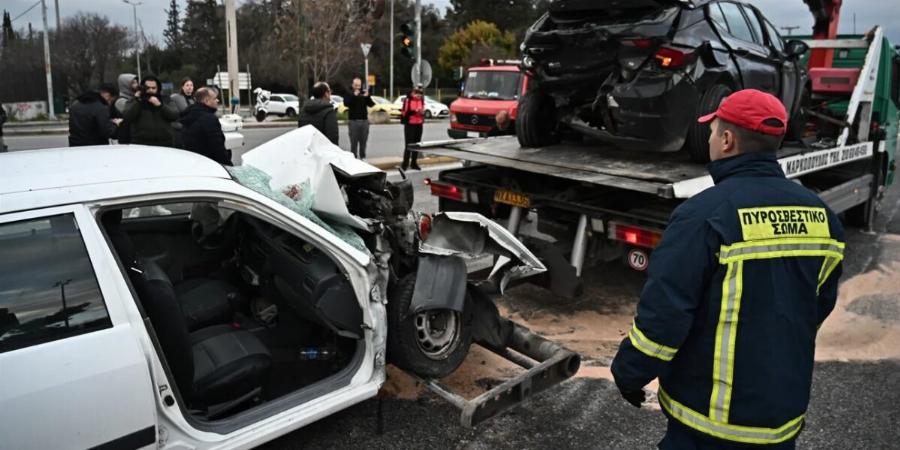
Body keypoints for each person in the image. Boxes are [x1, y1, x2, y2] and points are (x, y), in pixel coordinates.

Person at [610, 89, 845, 450]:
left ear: (727, 140)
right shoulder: (822, 215)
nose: (709, 139)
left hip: (709, 422)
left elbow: (665, 314)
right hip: (782, 414)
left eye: (712, 131)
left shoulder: (702, 216)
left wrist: (629, 373)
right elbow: (816, 305)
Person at [179, 87, 231, 165]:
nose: (217, 100)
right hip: (210, 163)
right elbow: (217, 147)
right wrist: (228, 165)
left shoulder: (190, 114)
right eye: (215, 98)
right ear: (206, 101)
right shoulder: (209, 119)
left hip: (194, 162)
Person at [123, 75, 178, 147]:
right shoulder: (136, 101)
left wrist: (160, 106)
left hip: (164, 143)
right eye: (148, 88)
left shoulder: (166, 99)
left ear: (158, 88)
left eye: (153, 88)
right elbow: (127, 117)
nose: (151, 90)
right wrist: (137, 100)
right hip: (141, 143)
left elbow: (174, 115)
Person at [344, 77, 375, 159]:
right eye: (356, 85)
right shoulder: (349, 93)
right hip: (353, 121)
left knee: (363, 141)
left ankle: (363, 157)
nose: (358, 87)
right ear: (352, 85)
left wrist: (367, 96)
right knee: (353, 141)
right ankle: (353, 158)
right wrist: (354, 95)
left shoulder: (363, 93)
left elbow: (371, 104)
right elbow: (346, 103)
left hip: (364, 121)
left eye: (359, 85)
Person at [400, 85, 426, 171]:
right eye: (417, 93)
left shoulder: (421, 100)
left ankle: (414, 163)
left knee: (417, 145)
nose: (419, 95)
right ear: (413, 93)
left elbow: (423, 110)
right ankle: (405, 164)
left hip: (419, 124)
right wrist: (415, 111)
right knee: (408, 145)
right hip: (410, 125)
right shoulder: (408, 100)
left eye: (420, 94)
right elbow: (404, 113)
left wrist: (422, 113)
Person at [114, 73, 139, 143]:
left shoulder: (134, 98)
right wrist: (136, 99)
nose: (137, 85)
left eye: (137, 82)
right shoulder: (120, 101)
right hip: (126, 138)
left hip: (136, 136)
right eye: (133, 83)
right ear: (126, 85)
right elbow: (130, 112)